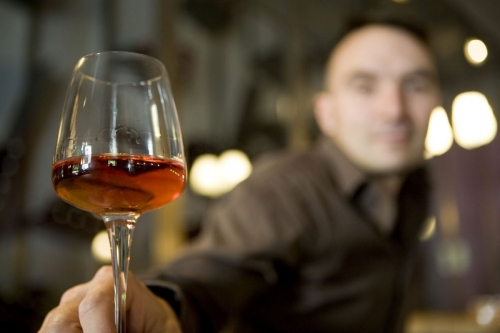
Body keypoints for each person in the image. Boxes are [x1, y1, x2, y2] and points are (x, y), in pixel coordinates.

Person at [39, 12, 441, 333]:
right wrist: (163, 306)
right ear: (326, 113)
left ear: (436, 101)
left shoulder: (417, 186)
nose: (394, 110)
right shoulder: (285, 189)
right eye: (365, 86)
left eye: (416, 84)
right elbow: (207, 282)